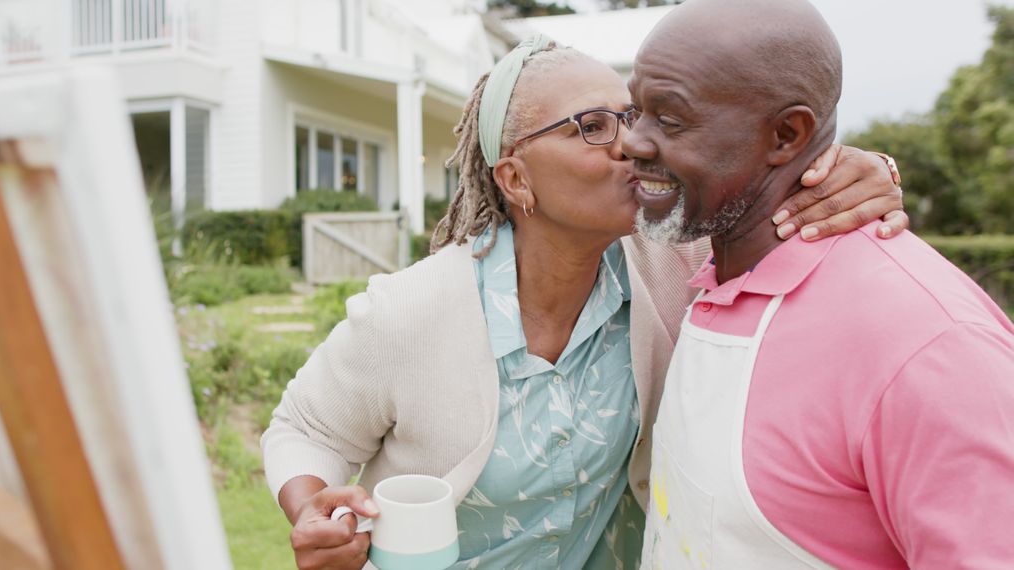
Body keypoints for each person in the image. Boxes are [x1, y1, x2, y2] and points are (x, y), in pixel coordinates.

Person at [262, 35, 908, 570]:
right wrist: (312, 505)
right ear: (516, 179)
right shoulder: (410, 311)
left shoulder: (673, 265)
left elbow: (774, 202)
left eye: (632, 118)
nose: (632, 143)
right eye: (592, 127)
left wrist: (866, 168)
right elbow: (305, 429)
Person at [622, 1, 1014, 568]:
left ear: (787, 133)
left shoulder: (930, 344)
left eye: (672, 119)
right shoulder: (704, 271)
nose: (633, 141)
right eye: (636, 111)